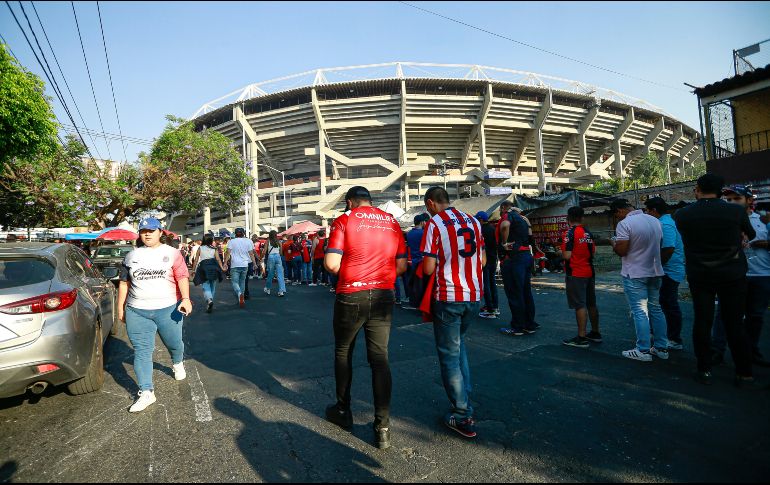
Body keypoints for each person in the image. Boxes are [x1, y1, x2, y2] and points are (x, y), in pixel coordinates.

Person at [323, 186, 407, 450]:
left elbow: (331, 264)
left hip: (352, 292)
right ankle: (382, 427)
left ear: (350, 202)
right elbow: (402, 265)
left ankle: (343, 411)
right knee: (380, 359)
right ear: (370, 201)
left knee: (343, 351)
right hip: (383, 294)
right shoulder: (392, 221)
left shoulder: (345, 220)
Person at [675, 174, 756, 385]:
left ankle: (704, 369)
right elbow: (752, 234)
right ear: (721, 191)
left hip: (700, 275)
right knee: (735, 323)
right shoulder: (735, 211)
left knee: (703, 321)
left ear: (697, 189)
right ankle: (744, 372)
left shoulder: (683, 214)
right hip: (733, 274)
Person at [421, 187, 485, 439]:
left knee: (449, 355)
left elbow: (428, 268)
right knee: (459, 348)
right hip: (473, 295)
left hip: (448, 296)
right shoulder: (473, 221)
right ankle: (464, 398)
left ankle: (461, 413)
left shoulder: (435, 224)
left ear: (431, 203)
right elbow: (482, 261)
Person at [117, 217, 192, 413]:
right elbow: (124, 283)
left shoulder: (172, 253)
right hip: (137, 310)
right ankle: (146, 392)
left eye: (151, 230)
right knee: (142, 351)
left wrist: (186, 298)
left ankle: (177, 362)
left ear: (160, 232)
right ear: (139, 234)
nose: (147, 233)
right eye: (143, 231)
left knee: (174, 343)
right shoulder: (130, 256)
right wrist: (120, 307)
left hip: (168, 309)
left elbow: (182, 276)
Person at [711, 185, 770, 368]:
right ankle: (717, 351)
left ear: (749, 200)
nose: (732, 203)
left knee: (756, 316)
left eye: (737, 199)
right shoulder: (722, 221)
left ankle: (752, 351)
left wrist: (765, 243)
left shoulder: (763, 220)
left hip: (761, 274)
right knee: (723, 314)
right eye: (728, 200)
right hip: (733, 275)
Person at [610, 199, 668, 362]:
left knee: (639, 311)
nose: (617, 218)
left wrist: (613, 243)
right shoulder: (655, 221)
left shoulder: (625, 224)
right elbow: (660, 244)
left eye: (616, 214)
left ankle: (643, 349)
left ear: (619, 211)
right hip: (655, 271)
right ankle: (661, 347)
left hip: (635, 273)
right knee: (656, 309)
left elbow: (622, 250)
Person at [643, 197, 686, 351]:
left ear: (654, 210)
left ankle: (674, 339)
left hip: (669, 271)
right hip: (668, 270)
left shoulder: (665, 224)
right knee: (663, 303)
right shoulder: (664, 223)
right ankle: (664, 335)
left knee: (669, 304)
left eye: (647, 210)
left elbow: (668, 249)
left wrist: (656, 267)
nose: (646, 213)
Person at [561, 206, 601, 348]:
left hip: (576, 273)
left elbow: (567, 255)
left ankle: (581, 337)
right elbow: (593, 251)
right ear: (582, 217)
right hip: (589, 271)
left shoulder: (569, 233)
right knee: (591, 303)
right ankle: (595, 333)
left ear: (568, 218)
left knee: (580, 305)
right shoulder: (587, 232)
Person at [498, 203, 538, 336]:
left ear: (504, 208)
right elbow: (531, 235)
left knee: (515, 292)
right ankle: (529, 324)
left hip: (514, 258)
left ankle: (517, 326)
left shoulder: (507, 215)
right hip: (526, 256)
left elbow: (504, 226)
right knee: (526, 291)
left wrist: (504, 243)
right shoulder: (523, 219)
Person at [192, 234, 226, 313]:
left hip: (204, 268)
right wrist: (222, 268)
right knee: (212, 286)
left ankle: (209, 300)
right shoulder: (214, 249)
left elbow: (196, 260)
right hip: (214, 267)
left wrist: (193, 270)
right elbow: (218, 259)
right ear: (211, 240)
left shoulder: (200, 248)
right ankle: (210, 301)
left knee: (205, 285)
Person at [225, 228, 258, 308]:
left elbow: (228, 253)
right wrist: (254, 264)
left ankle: (239, 294)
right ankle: (242, 296)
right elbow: (251, 254)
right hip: (245, 264)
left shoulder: (231, 241)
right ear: (243, 233)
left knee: (234, 282)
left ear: (235, 234)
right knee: (242, 281)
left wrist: (225, 263)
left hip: (235, 264)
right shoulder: (248, 241)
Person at [476, 211, 499, 319]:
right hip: (493, 258)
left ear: (481, 220)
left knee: (486, 284)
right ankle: (495, 306)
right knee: (492, 282)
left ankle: (490, 310)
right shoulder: (493, 228)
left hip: (485, 259)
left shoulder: (481, 230)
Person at [404, 214, 429, 309]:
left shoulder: (409, 233)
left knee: (414, 284)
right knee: (422, 285)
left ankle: (413, 301)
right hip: (422, 262)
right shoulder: (423, 233)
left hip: (413, 261)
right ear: (422, 222)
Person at [262, 230, 286, 297]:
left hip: (271, 257)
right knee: (280, 274)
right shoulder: (279, 241)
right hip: (278, 256)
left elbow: (264, 252)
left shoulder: (268, 241)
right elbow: (281, 252)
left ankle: (268, 288)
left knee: (270, 274)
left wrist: (260, 258)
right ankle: (281, 291)